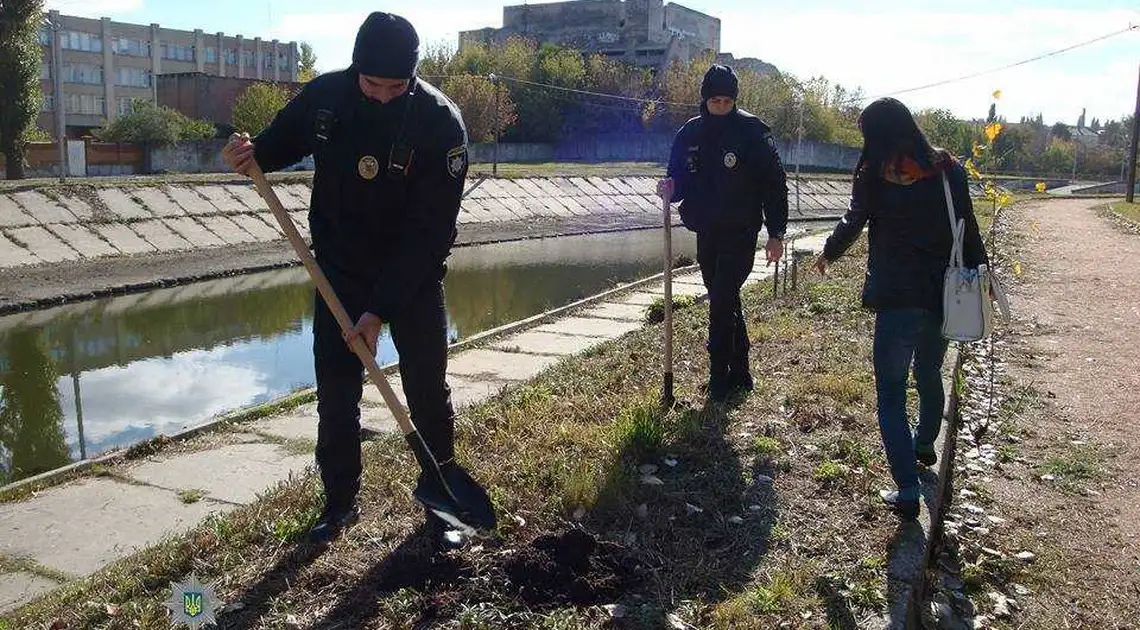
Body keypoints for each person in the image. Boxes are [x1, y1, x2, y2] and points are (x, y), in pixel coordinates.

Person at [222, 12, 471, 545]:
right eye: (371, 83)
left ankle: (441, 502)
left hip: (413, 276)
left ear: (414, 76)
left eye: (395, 86)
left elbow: (430, 234)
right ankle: (338, 503)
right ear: (355, 68)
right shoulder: (326, 98)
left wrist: (379, 311)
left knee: (425, 387)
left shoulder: (439, 124)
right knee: (337, 394)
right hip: (339, 275)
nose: (381, 95)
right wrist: (247, 154)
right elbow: (271, 148)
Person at [813, 97, 988, 520]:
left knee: (890, 393)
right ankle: (926, 443)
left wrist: (829, 253)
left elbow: (853, 220)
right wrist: (980, 278)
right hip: (942, 295)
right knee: (928, 371)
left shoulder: (876, 174)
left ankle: (907, 491)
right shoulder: (948, 170)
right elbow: (968, 227)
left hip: (895, 298)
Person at [657, 64, 789, 402]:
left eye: (726, 101)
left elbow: (774, 185)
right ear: (705, 99)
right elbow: (679, 178)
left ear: (734, 101)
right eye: (715, 100)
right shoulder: (690, 133)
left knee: (721, 302)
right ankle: (741, 373)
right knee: (724, 299)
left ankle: (718, 382)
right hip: (707, 230)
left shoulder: (752, 132)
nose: (720, 106)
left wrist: (776, 233)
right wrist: (669, 186)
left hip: (741, 230)